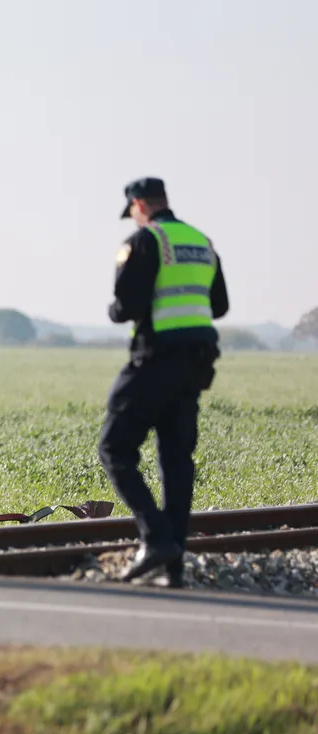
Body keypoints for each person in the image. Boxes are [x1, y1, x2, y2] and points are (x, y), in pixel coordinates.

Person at [99, 177, 229, 587]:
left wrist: (114, 308)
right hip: (195, 365)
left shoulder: (145, 240)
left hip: (154, 360)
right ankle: (172, 568)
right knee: (176, 462)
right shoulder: (200, 241)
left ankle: (155, 538)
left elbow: (127, 307)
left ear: (139, 204)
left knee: (114, 448)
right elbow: (220, 305)